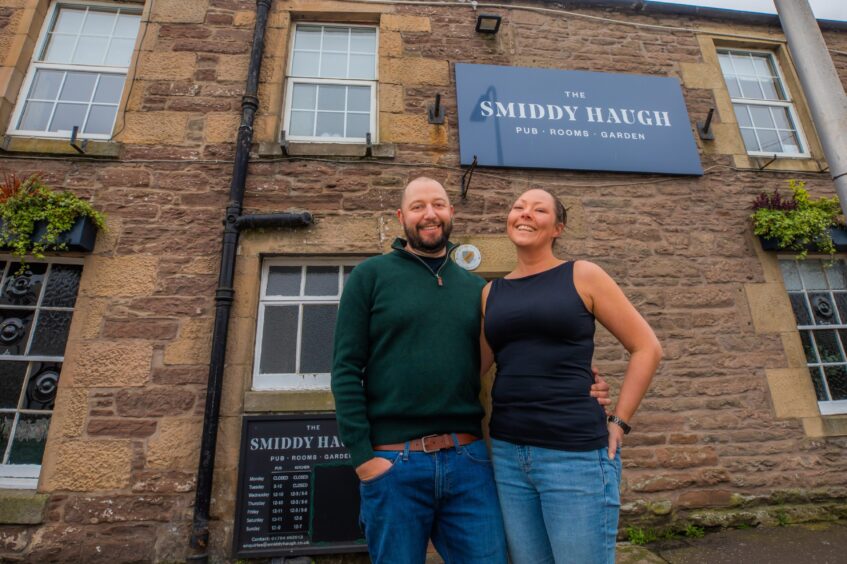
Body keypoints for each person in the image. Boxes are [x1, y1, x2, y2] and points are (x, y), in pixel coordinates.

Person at [331, 178, 611, 564]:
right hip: (395, 464)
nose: (429, 214)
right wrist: (363, 457)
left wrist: (581, 376)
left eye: (439, 205)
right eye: (417, 207)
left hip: (470, 463)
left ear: (451, 212)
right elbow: (345, 369)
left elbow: (512, 351)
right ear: (401, 217)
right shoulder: (370, 276)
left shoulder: (477, 288)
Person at [481, 188, 662, 564]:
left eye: (539, 210)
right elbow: (473, 367)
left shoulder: (583, 275)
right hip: (509, 454)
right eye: (518, 207)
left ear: (557, 227)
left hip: (574, 454)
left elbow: (647, 347)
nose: (525, 214)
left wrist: (619, 421)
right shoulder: (490, 293)